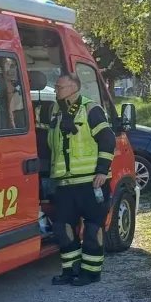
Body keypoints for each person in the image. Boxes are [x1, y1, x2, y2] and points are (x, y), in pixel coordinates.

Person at [46, 73, 117, 286]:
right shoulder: (56, 112)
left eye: (60, 87)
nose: (56, 90)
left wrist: (102, 171)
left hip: (91, 182)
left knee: (94, 229)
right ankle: (70, 270)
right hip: (65, 185)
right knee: (62, 228)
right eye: (56, 86)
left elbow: (108, 140)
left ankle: (91, 273)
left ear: (73, 88)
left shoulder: (90, 109)